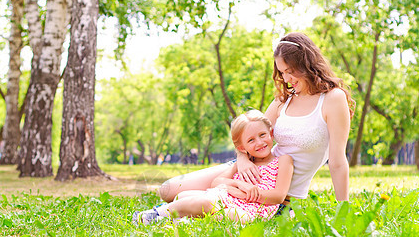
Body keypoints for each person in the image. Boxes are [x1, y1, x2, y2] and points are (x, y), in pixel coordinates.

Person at [159, 32, 354, 204]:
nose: (286, 80)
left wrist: (342, 210)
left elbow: (337, 161)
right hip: (250, 169)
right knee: (167, 190)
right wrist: (243, 161)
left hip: (275, 189)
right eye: (282, 73)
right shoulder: (284, 100)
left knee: (192, 199)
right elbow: (248, 132)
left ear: (305, 65)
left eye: (290, 71)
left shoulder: (332, 99)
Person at [133, 110, 293, 224]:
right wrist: (238, 184)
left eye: (262, 135)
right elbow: (217, 182)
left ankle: (158, 215)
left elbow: (278, 196)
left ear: (271, 134)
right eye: (251, 140)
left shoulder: (283, 161)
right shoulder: (243, 164)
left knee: (213, 207)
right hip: (227, 198)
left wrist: (245, 195)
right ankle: (170, 216)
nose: (259, 142)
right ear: (242, 148)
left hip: (252, 211)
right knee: (185, 195)